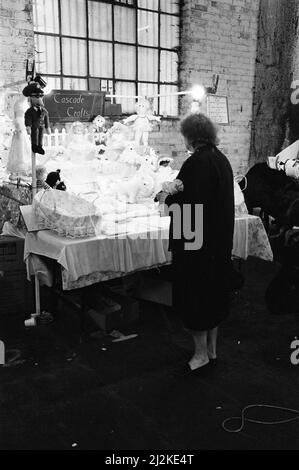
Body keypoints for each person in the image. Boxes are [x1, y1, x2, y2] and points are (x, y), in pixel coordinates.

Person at [155, 113, 234, 376]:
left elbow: (191, 210)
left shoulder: (196, 163)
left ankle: (200, 354)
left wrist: (167, 198)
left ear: (190, 136)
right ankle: (211, 350)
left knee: (197, 298)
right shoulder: (221, 160)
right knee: (214, 295)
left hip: (197, 245)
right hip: (218, 242)